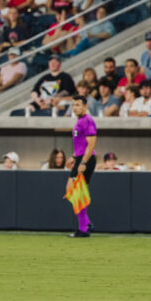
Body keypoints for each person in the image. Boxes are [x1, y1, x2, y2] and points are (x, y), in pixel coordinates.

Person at [66, 95, 97, 238]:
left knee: (76, 192)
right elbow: (81, 144)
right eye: (73, 105)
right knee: (72, 191)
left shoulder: (88, 121)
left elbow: (91, 145)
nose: (75, 108)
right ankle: (87, 223)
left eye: (78, 105)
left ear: (85, 106)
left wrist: (83, 162)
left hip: (86, 159)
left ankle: (83, 229)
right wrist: (73, 157)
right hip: (79, 158)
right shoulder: (80, 121)